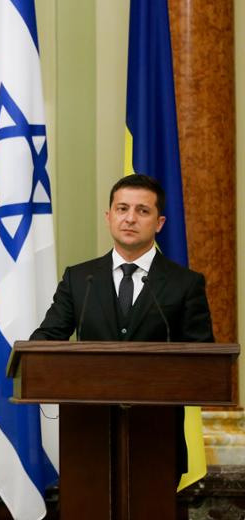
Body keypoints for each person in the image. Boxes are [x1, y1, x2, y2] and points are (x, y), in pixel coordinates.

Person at [30, 173, 214, 480]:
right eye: (122, 209)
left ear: (159, 223)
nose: (130, 218)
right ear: (109, 217)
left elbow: (203, 358)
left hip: (158, 439)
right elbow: (47, 338)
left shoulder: (185, 284)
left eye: (142, 211)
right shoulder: (80, 279)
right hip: (88, 438)